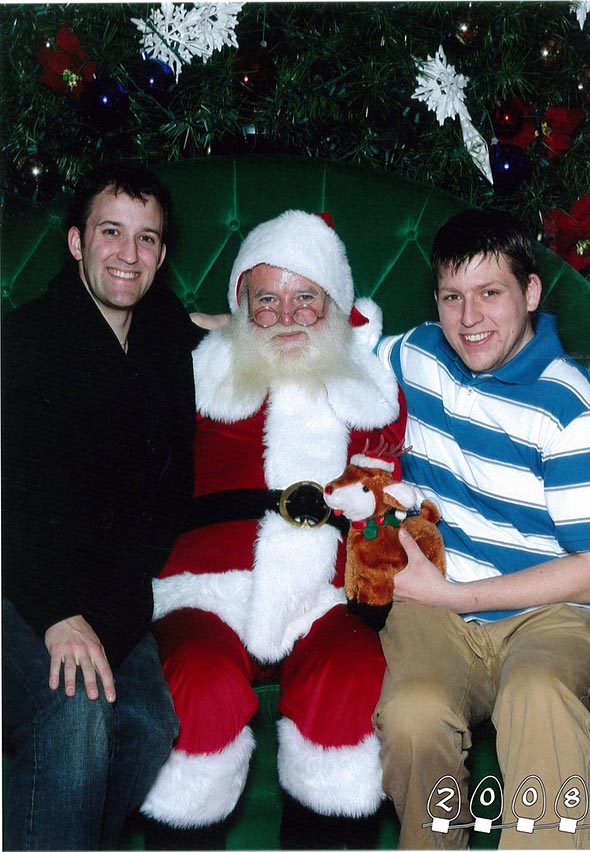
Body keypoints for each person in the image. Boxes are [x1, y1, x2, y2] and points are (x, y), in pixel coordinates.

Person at [140, 209, 407, 849]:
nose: (287, 316)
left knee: (348, 673)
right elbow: (124, 321)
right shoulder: (196, 371)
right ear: (240, 306)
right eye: (267, 300)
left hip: (323, 590)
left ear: (336, 306)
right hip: (205, 585)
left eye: (306, 299)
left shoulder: (368, 389)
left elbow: (391, 490)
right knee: (196, 682)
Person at [373, 209, 590, 850]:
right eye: (453, 297)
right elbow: (314, 337)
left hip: (553, 608)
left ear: (530, 294)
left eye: (490, 294)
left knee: (538, 694)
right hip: (438, 602)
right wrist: (205, 326)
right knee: (413, 715)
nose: (469, 318)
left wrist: (461, 597)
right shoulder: (418, 355)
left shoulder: (573, 409)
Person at [2, 163, 202, 851]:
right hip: (17, 582)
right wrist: (55, 612)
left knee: (147, 728)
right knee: (75, 712)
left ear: (162, 256)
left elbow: (212, 329)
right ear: (76, 242)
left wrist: (282, 320)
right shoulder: (26, 343)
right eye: (111, 232)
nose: (129, 254)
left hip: (109, 599)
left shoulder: (157, 337)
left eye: (147, 240)